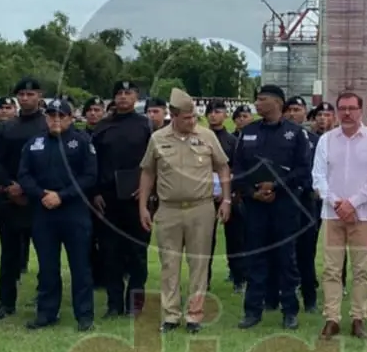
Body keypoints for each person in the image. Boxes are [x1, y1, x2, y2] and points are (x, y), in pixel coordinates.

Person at [137, 89, 230, 333]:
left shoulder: (207, 136)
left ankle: (194, 316)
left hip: (201, 208)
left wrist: (227, 200)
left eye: (194, 117)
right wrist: (143, 206)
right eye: (187, 118)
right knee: (169, 264)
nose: (193, 122)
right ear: (174, 115)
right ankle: (170, 315)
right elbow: (147, 172)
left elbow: (223, 167)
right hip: (168, 210)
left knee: (199, 264)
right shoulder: (158, 138)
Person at [232, 84, 312, 330]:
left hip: (284, 206)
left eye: (262, 99)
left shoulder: (296, 133)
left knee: (286, 259)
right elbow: (238, 169)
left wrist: (276, 185)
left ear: (277, 102)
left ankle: (289, 311)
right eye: (256, 99)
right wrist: (252, 192)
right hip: (256, 206)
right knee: (255, 257)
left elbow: (303, 170)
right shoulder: (248, 132)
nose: (257, 103)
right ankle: (252, 311)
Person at [18, 98, 99, 332]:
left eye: (61, 116)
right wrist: (42, 194)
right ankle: (46, 313)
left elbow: (89, 176)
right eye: (51, 115)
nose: (56, 120)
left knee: (80, 266)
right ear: (46, 118)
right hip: (44, 211)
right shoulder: (34, 143)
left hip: (74, 211)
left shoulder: (82, 142)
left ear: (70, 118)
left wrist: (62, 196)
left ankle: (84, 315)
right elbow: (24, 175)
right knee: (47, 266)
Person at [312, 91, 367, 340]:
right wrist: (336, 202)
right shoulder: (326, 140)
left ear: (360, 111)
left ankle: (358, 318)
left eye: (351, 108)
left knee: (361, 269)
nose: (346, 113)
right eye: (342, 108)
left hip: (363, 216)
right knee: (332, 269)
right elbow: (318, 177)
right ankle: (332, 318)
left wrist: (352, 204)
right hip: (332, 215)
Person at [91, 80, 155, 318]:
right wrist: (95, 191)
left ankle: (135, 304)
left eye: (128, 93)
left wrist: (149, 189)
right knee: (110, 253)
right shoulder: (102, 127)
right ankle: (114, 303)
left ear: (136, 97)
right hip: (107, 199)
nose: (123, 97)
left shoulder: (145, 125)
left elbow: (156, 162)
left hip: (137, 198)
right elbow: (92, 163)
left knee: (137, 253)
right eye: (118, 93)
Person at [0, 78, 48, 316]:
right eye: (21, 94)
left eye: (30, 94)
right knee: (9, 254)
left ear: (39, 95)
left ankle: (45, 299)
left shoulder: (47, 125)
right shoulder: (7, 127)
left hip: (39, 199)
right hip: (10, 198)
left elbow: (50, 164)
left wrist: (30, 189)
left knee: (45, 253)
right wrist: (8, 186)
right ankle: (6, 302)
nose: (25, 98)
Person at [203, 99, 246, 294]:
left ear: (225, 115)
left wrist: (229, 193)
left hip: (229, 194)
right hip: (204, 195)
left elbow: (238, 168)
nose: (213, 115)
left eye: (218, 111)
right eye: (210, 111)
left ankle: (238, 277)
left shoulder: (232, 141)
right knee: (204, 240)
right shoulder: (200, 138)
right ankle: (204, 280)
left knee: (235, 239)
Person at [289, 97, 323, 313]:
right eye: (289, 110)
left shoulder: (315, 140)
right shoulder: (278, 138)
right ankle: (282, 297)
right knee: (283, 253)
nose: (293, 114)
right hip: (283, 201)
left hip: (306, 202)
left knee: (306, 252)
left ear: (305, 113)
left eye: (297, 109)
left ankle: (309, 298)